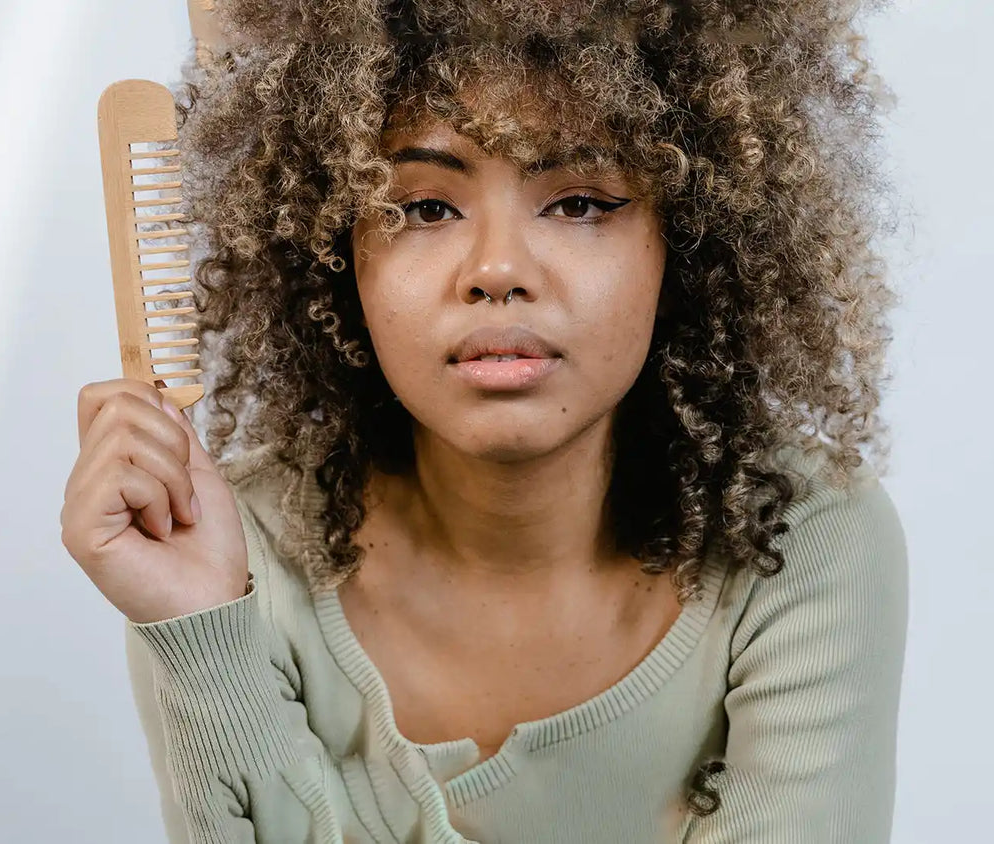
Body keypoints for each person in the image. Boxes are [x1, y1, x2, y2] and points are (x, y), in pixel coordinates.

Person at [61, 1, 908, 841]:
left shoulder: (798, 537)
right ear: (330, 247)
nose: (497, 270)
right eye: (425, 208)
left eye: (578, 201)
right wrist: (201, 632)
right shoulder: (227, 552)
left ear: (685, 239)